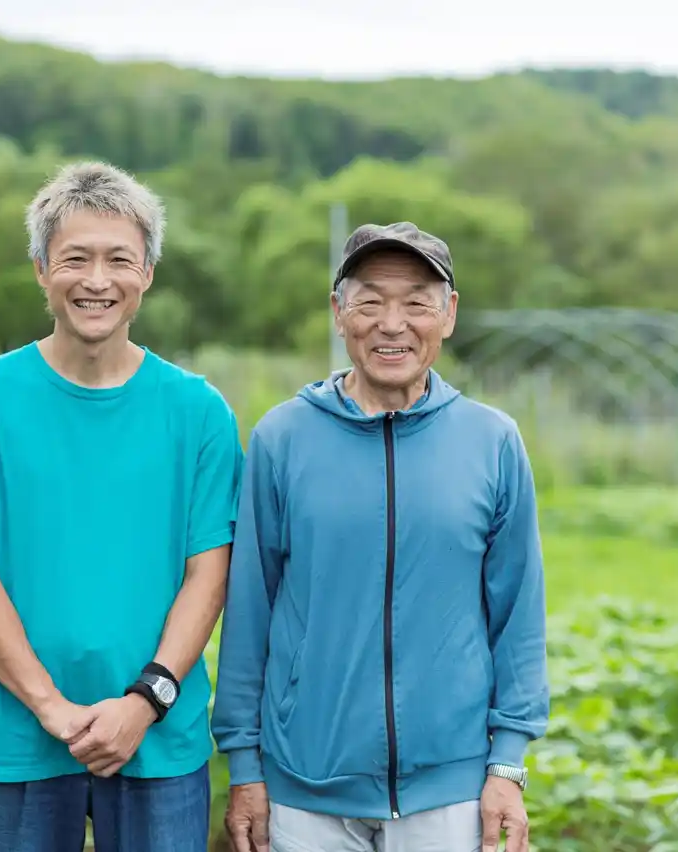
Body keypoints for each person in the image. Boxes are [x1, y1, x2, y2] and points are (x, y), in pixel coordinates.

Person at [0, 161, 244, 852]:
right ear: (41, 269)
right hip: (14, 738)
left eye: (119, 259)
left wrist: (144, 701)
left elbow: (208, 575)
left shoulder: (198, 412)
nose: (98, 280)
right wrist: (51, 707)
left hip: (157, 739)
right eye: (75, 259)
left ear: (147, 272)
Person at [212, 222, 550, 852]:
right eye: (370, 301)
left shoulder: (493, 442)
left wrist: (507, 765)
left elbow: (518, 617)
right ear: (340, 314)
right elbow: (250, 609)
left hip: (449, 790)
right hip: (304, 789)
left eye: (416, 302)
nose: (392, 324)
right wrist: (246, 766)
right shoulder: (281, 439)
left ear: (448, 315)